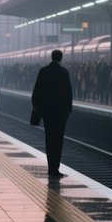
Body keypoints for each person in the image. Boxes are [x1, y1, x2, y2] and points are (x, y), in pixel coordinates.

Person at [31, 49, 74, 177]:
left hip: (47, 112)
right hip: (61, 112)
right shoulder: (64, 72)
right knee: (58, 140)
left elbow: (37, 91)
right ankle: (56, 168)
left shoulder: (43, 71)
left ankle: (51, 168)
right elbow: (69, 92)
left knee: (49, 139)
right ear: (61, 58)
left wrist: (37, 107)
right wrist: (69, 109)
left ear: (51, 57)